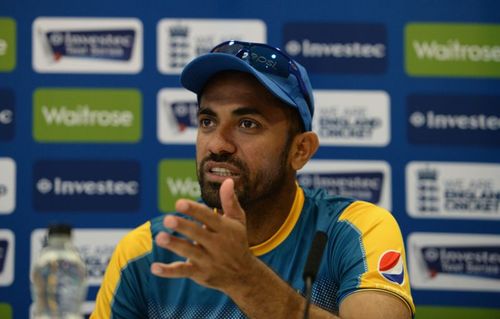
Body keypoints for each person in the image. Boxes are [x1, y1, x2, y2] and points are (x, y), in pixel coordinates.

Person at [91, 40, 415, 319]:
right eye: (207, 121)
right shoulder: (147, 252)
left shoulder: (356, 230)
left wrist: (244, 277)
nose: (217, 144)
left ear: (300, 150)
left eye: (248, 124)